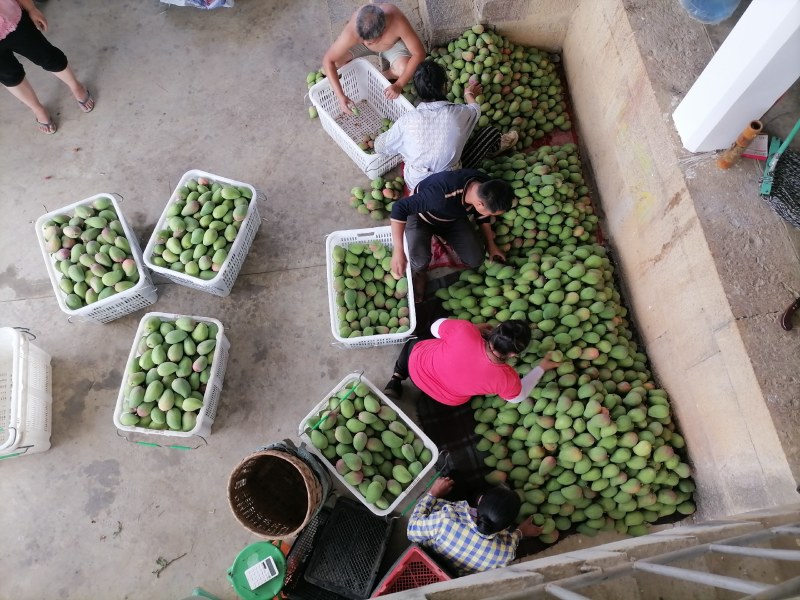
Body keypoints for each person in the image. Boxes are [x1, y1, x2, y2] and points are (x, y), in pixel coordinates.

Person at [374, 60, 518, 191]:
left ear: (417, 90)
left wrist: (394, 139)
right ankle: (494, 150)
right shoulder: (459, 113)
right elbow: (475, 110)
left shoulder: (406, 121)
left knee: (407, 150)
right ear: (445, 86)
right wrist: (469, 94)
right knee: (490, 133)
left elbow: (379, 147)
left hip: (416, 185)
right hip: (450, 185)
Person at [389, 168, 513, 301]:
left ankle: (443, 235)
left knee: (476, 259)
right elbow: (399, 208)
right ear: (479, 204)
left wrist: (491, 244)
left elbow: (481, 215)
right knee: (419, 261)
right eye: (490, 213)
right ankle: (420, 274)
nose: (489, 216)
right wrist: (398, 250)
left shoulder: (487, 186)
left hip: (452, 218)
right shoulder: (440, 195)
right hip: (421, 216)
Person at [383, 318, 559, 404]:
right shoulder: (507, 379)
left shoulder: (464, 330)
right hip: (446, 397)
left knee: (415, 340)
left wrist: (473, 328)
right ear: (513, 354)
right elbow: (517, 398)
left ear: (495, 330)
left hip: (417, 368)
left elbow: (435, 327)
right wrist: (541, 368)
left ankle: (396, 377)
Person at [407, 475, 546, 576]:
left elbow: (411, 531)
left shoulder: (447, 519)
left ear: (480, 501)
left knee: (457, 476)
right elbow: (512, 541)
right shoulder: (504, 554)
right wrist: (521, 532)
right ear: (507, 527)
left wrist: (433, 493)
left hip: (434, 552)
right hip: (453, 574)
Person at [0, 0, 94, 134]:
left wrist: (31, 8)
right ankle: (37, 108)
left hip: (12, 19)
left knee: (46, 55)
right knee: (9, 76)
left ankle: (75, 85)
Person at [322, 3, 425, 114]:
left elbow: (419, 53)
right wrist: (340, 96)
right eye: (362, 39)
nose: (366, 42)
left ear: (383, 31)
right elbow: (328, 60)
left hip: (391, 46)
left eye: (370, 41)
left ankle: (385, 74)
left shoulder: (397, 20)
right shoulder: (353, 31)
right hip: (362, 47)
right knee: (336, 62)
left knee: (404, 69)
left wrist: (399, 84)